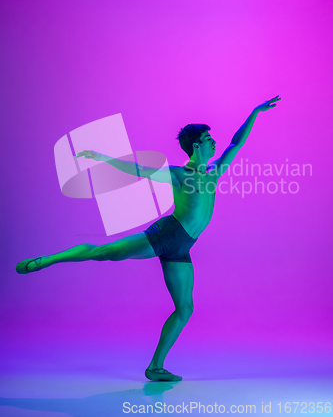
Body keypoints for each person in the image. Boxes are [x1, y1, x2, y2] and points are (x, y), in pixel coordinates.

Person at [16, 95, 281, 381]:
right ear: (196, 145)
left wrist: (255, 111)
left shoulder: (214, 172)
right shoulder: (179, 174)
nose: (214, 142)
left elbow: (235, 143)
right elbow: (140, 171)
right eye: (208, 138)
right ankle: (44, 261)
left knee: (185, 308)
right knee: (104, 252)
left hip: (183, 248)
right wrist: (102, 158)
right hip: (166, 235)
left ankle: (155, 367)